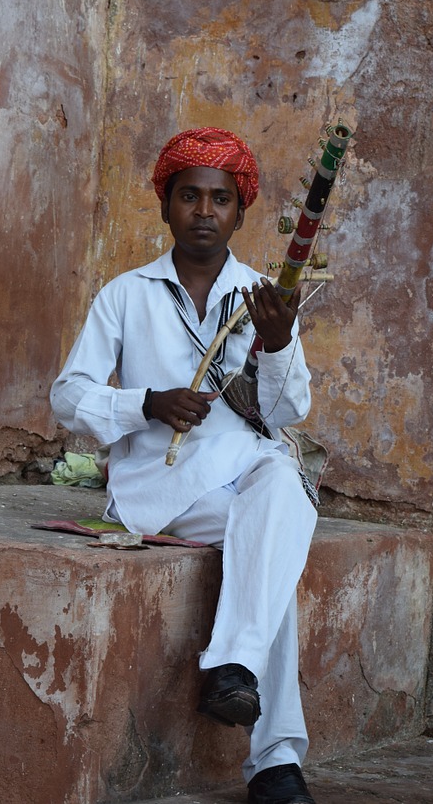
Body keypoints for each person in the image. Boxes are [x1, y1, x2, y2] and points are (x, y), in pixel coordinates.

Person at [50, 127, 319, 804]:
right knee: (274, 539)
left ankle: (236, 671)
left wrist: (281, 340)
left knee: (278, 484)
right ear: (167, 205)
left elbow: (289, 412)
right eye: (190, 196)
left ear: (240, 210)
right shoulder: (126, 295)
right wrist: (145, 402)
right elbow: (68, 397)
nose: (205, 211)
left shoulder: (266, 294)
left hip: (245, 473)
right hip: (161, 484)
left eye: (220, 199)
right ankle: (275, 758)